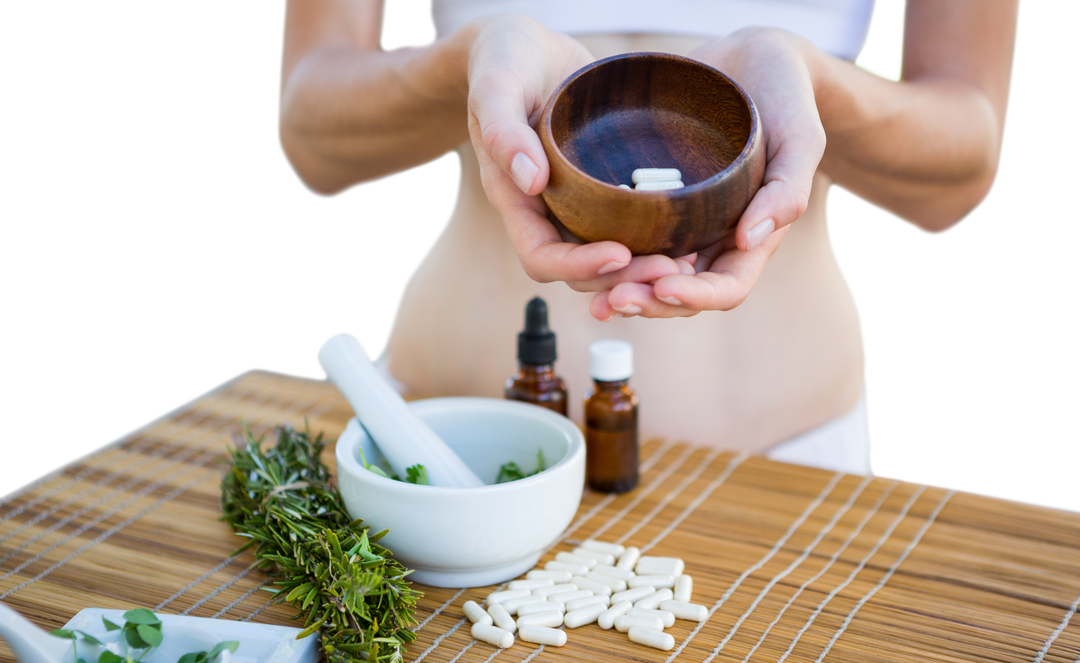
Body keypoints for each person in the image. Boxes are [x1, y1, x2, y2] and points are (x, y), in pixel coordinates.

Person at [275, 0, 1023, 476]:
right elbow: (313, 136)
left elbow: (959, 171)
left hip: (787, 464)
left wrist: (812, 84)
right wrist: (469, 69)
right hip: (449, 447)